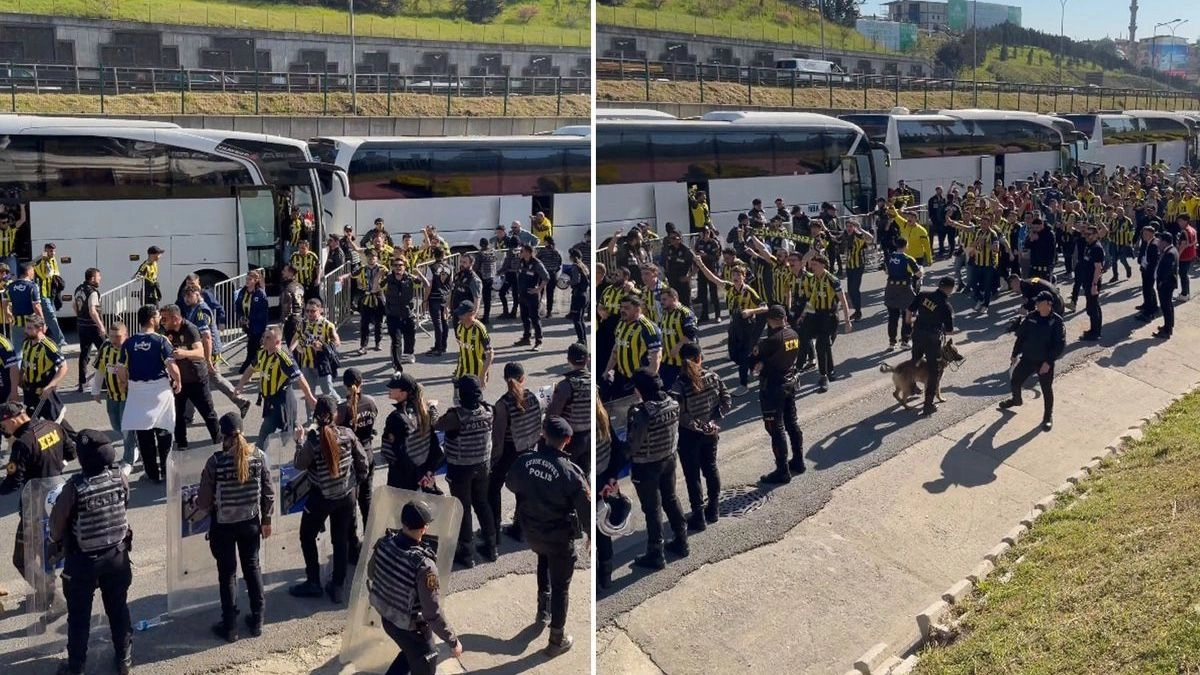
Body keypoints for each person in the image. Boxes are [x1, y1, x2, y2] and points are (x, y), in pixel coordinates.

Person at [46, 430, 131, 675]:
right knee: (118, 609)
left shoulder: (75, 487)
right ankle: (124, 660)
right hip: (117, 556)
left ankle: (76, 668)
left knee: (79, 618)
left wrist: (55, 540)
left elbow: (56, 527)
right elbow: (125, 503)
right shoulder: (119, 477)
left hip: (83, 562)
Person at [505, 416, 589, 657]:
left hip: (532, 532)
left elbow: (511, 484)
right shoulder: (571, 472)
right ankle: (556, 639)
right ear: (568, 440)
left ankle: (543, 610)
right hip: (560, 538)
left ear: (543, 434)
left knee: (543, 560)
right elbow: (585, 508)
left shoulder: (524, 462)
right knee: (562, 586)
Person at [194, 411, 273, 642]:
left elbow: (204, 501)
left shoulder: (215, 462)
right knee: (252, 568)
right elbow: (268, 492)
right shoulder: (258, 456)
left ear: (223, 436)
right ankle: (257, 620)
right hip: (251, 523)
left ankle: (229, 627)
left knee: (227, 575)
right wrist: (266, 520)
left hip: (224, 526)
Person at [367, 500, 463, 675]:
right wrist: (453, 641)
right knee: (425, 658)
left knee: (410, 653)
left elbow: (372, 573)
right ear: (424, 528)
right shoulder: (424, 566)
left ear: (402, 522)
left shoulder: (384, 543)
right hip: (412, 629)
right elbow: (432, 613)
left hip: (388, 619)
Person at [289, 395, 368, 603]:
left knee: (307, 536)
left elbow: (299, 464)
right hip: (346, 496)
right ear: (335, 415)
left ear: (316, 416)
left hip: (321, 497)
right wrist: (355, 483)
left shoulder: (313, 441)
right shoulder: (348, 434)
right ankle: (338, 585)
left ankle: (313, 581)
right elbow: (363, 463)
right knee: (340, 539)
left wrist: (299, 442)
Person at [0, 401, 75, 614]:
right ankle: (48, 592)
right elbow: (71, 453)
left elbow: (13, 483)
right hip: (58, 501)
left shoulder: (23, 443)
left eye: (3, 425)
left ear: (13, 419)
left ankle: (52, 597)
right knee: (47, 551)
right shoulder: (53, 426)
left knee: (22, 558)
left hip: (34, 507)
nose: (3, 430)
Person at [626, 369, 687, 570]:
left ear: (640, 390)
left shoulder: (642, 413)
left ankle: (656, 553)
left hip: (647, 466)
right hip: (669, 458)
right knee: (671, 499)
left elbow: (633, 446)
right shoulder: (673, 403)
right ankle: (682, 540)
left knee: (652, 509)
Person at [434, 376, 496, 568]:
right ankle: (491, 546)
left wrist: (432, 407)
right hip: (483, 465)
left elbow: (436, 424)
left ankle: (467, 552)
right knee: (482, 503)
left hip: (461, 469)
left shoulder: (456, 417)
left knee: (463, 508)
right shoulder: (488, 411)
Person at [669, 342, 730, 532]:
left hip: (689, 437)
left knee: (692, 476)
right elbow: (726, 399)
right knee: (711, 468)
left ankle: (698, 516)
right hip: (711, 432)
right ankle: (714, 508)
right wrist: (713, 421)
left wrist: (698, 426)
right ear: (700, 358)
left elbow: (680, 414)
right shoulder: (713, 377)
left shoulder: (679, 385)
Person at [117, 305, 180, 483]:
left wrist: (124, 384)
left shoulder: (128, 343)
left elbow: (120, 369)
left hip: (138, 393)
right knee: (164, 431)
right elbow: (171, 365)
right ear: (152, 319)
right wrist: (178, 380)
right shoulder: (161, 341)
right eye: (159, 316)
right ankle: (167, 471)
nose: (161, 318)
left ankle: (152, 474)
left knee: (144, 436)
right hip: (159, 391)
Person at [235, 327, 318, 443]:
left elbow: (300, 377)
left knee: (288, 436)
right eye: (264, 337)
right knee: (267, 435)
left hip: (283, 402)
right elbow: (251, 369)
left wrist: (310, 397)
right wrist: (240, 384)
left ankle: (308, 447)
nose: (264, 340)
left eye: (268, 338)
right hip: (270, 402)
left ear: (277, 342)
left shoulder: (284, 358)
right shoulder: (262, 354)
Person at [490, 362, 543, 543]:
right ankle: (520, 528)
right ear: (523, 378)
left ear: (505, 379)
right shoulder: (533, 397)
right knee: (523, 490)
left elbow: (497, 438)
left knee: (493, 488)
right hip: (528, 449)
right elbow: (538, 424)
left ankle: (494, 529)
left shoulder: (502, 404)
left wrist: (494, 460)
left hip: (509, 452)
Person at [751, 306, 804, 483]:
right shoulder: (794, 334)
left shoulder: (770, 341)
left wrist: (760, 364)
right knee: (792, 424)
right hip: (789, 382)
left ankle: (782, 470)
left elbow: (753, 361)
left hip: (773, 387)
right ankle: (798, 460)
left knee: (776, 429)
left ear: (771, 320)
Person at [999, 291, 1065, 431]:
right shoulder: (1031, 317)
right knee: (1015, 381)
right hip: (1028, 359)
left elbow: (1060, 345)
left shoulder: (1057, 321)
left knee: (1046, 389)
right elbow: (1021, 337)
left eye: (1040, 303)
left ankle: (1047, 417)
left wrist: (1048, 362)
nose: (1037, 305)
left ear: (1049, 304)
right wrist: (1014, 354)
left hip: (1044, 362)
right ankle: (1016, 400)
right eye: (1036, 302)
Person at [159, 304, 219, 450]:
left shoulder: (190, 329)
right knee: (178, 415)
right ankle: (181, 444)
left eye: (165, 319)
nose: (162, 322)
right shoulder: (165, 332)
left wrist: (185, 354)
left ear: (175, 318)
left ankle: (219, 442)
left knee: (208, 413)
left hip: (197, 379)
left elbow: (200, 352)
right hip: (179, 381)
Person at [336, 368, 379, 562]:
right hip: (368, 454)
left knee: (351, 504)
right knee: (367, 500)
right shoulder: (370, 402)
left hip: (351, 460)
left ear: (344, 384)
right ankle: (372, 542)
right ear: (361, 382)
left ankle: (353, 547)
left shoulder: (343, 408)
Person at [905, 276, 957, 417]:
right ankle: (928, 405)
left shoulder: (923, 295)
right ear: (949, 289)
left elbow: (909, 311)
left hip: (918, 334)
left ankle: (911, 387)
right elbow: (949, 330)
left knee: (915, 361)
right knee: (933, 371)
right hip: (932, 340)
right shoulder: (946, 306)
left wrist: (909, 322)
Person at [381, 373, 442, 491]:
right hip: (425, 476)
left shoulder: (396, 418)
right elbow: (435, 447)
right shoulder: (424, 411)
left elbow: (393, 453)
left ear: (403, 393)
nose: (389, 389)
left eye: (393, 387)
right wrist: (427, 472)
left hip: (403, 479)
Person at [90, 322, 137, 469]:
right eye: (111, 337)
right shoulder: (105, 347)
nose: (114, 341)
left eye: (118, 337)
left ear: (126, 335)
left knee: (126, 428)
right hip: (111, 395)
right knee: (116, 425)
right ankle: (135, 445)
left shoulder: (132, 349)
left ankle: (128, 458)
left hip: (128, 396)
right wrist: (96, 390)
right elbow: (100, 370)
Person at [603, 295, 662, 401]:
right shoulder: (621, 324)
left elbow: (656, 356)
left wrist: (648, 382)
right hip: (621, 376)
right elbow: (616, 350)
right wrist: (607, 370)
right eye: (621, 307)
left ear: (638, 309)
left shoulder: (648, 328)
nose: (622, 310)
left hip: (639, 380)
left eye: (627, 308)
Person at [17, 314, 70, 428]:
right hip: (30, 390)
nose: (26, 331)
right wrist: (20, 377)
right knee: (29, 423)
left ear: (40, 329)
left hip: (43, 392)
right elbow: (25, 361)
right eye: (26, 327)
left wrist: (50, 386)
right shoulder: (27, 343)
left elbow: (64, 367)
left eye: (30, 328)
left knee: (58, 423)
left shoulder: (48, 346)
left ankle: (74, 442)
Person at [291, 298, 341, 417]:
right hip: (306, 364)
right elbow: (296, 337)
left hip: (322, 364)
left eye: (313, 311)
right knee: (309, 393)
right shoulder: (303, 324)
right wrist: (290, 351)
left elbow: (337, 342)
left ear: (320, 310)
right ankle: (311, 419)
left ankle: (338, 408)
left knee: (327, 391)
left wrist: (323, 346)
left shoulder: (328, 325)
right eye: (307, 311)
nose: (309, 314)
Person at [595, 395, 625, 589]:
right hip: (604, 481)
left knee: (597, 531)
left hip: (592, 484)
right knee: (602, 531)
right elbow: (619, 451)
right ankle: (605, 576)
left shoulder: (583, 422)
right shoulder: (603, 417)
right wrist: (612, 478)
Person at [546, 343, 591, 474]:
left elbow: (553, 415)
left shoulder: (566, 385)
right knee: (584, 474)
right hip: (590, 435)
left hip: (570, 439)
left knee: (566, 474)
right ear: (587, 359)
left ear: (568, 360)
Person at [384, 258, 425, 371]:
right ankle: (397, 367)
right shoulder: (388, 280)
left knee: (410, 337)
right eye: (396, 265)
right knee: (396, 341)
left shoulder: (410, 279)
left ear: (404, 267)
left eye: (401, 265)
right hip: (393, 314)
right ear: (392, 267)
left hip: (407, 314)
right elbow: (376, 287)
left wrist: (418, 274)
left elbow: (425, 284)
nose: (398, 267)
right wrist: (379, 274)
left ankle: (408, 354)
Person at [884, 238, 922, 350]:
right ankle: (905, 341)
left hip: (890, 288)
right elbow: (918, 274)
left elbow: (887, 271)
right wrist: (922, 270)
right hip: (904, 289)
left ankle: (892, 342)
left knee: (892, 316)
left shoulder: (889, 257)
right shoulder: (908, 259)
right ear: (906, 245)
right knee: (908, 314)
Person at [657, 287, 698, 390]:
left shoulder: (684, 313)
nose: (662, 302)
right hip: (667, 359)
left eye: (664, 299)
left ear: (674, 298)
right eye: (661, 300)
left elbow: (691, 333)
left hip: (683, 360)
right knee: (665, 387)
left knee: (689, 388)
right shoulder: (665, 314)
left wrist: (677, 346)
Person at [72, 268, 104, 392]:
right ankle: (109, 379)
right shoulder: (92, 292)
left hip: (81, 325)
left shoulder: (78, 289)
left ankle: (82, 382)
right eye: (98, 276)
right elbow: (93, 310)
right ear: (92, 278)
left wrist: (80, 316)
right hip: (93, 326)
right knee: (106, 350)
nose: (100, 279)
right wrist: (100, 325)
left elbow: (74, 306)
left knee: (84, 353)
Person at [234, 270, 270, 375]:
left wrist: (251, 319)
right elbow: (238, 305)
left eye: (250, 279)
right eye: (247, 279)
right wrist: (241, 317)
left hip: (258, 326)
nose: (247, 281)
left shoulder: (260, 293)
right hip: (248, 326)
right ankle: (255, 366)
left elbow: (263, 313)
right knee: (254, 347)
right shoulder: (243, 291)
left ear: (256, 280)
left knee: (253, 348)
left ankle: (248, 367)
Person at [452, 300, 493, 389]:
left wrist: (483, 374)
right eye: (459, 313)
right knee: (457, 400)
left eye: (462, 314)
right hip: (461, 370)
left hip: (476, 372)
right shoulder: (460, 327)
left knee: (473, 400)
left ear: (472, 313)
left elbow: (490, 354)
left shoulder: (479, 329)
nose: (460, 316)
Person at [515, 244, 549, 351]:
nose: (520, 252)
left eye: (522, 251)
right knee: (524, 317)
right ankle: (526, 338)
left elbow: (546, 277)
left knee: (535, 318)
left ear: (528, 252)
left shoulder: (536, 264)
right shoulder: (521, 262)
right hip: (522, 294)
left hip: (532, 295)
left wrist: (538, 289)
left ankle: (539, 341)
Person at [7, 261, 43, 359]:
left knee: (18, 353)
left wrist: (9, 317)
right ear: (28, 271)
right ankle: (31, 372)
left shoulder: (10, 286)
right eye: (32, 270)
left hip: (16, 324)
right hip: (31, 325)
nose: (34, 272)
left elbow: (5, 305)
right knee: (34, 351)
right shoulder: (32, 286)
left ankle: (18, 373)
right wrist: (42, 322)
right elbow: (36, 306)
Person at [1077, 225, 1106, 341]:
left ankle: (1095, 333)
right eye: (1085, 234)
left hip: (1092, 282)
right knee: (1092, 306)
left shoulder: (1096, 248)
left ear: (1095, 235)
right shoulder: (1089, 245)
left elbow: (1098, 268)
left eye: (1088, 234)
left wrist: (1094, 285)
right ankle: (1093, 329)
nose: (1086, 237)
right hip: (1087, 280)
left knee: (1093, 308)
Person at [841, 219, 874, 321]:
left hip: (858, 266)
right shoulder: (845, 235)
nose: (849, 228)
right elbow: (835, 239)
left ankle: (858, 312)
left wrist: (860, 228)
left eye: (851, 226)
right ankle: (857, 311)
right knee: (850, 291)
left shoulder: (859, 235)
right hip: (849, 266)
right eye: (847, 226)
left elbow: (871, 238)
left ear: (854, 227)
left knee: (855, 290)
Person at [34, 243, 66, 347]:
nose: (52, 253)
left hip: (51, 293)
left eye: (53, 251)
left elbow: (56, 274)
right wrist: (45, 262)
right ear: (45, 251)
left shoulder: (53, 260)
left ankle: (47, 340)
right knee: (51, 316)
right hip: (43, 294)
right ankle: (60, 339)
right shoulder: (40, 261)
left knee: (48, 318)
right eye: (50, 251)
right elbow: (44, 275)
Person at [355, 250, 386, 356]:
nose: (371, 259)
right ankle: (363, 346)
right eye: (369, 257)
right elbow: (356, 280)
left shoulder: (382, 269)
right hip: (367, 296)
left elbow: (386, 281)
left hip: (378, 295)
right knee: (364, 322)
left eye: (373, 257)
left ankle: (378, 342)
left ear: (377, 258)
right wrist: (361, 286)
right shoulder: (362, 269)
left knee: (379, 321)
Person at [425, 248, 452, 357]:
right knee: (444, 321)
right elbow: (451, 283)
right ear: (444, 255)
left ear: (434, 256)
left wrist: (425, 299)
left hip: (435, 297)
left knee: (437, 323)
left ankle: (438, 347)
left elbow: (429, 285)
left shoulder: (431, 268)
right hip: (445, 296)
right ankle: (443, 345)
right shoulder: (450, 267)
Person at [1154, 231, 1179, 340]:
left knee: (1166, 307)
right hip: (1168, 283)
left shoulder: (1170, 253)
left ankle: (1167, 331)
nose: (1158, 243)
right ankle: (1168, 325)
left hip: (1166, 285)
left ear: (1164, 242)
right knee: (1168, 305)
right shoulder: (1171, 250)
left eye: (1159, 240)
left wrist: (1161, 282)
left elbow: (1168, 271)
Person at [566, 248, 589, 343]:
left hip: (578, 295)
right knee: (581, 319)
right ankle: (583, 340)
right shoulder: (583, 266)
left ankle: (581, 340)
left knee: (576, 320)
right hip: (585, 295)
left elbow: (576, 280)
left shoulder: (575, 267)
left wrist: (569, 282)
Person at [279, 264, 304, 348]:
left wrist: (282, 322)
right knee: (299, 346)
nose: (282, 272)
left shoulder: (287, 288)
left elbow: (287, 307)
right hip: (299, 318)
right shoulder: (299, 285)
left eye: (285, 271)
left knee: (292, 347)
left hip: (291, 321)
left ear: (290, 273)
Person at [537, 238, 563, 316]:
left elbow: (537, 261)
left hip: (543, 274)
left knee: (540, 292)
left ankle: (539, 309)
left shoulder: (542, 251)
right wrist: (555, 270)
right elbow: (559, 263)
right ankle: (549, 311)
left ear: (547, 242)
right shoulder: (556, 252)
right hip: (552, 274)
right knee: (550, 293)